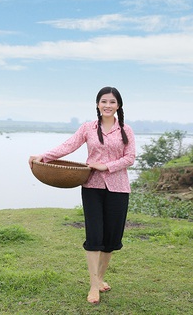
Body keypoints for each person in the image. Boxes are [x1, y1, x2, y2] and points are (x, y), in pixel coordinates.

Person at [28, 86, 136, 305]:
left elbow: (130, 158)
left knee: (111, 239)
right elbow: (68, 146)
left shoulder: (126, 130)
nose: (108, 105)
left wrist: (106, 166)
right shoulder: (88, 128)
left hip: (119, 188)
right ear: (97, 104)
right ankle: (94, 285)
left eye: (112, 102)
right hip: (92, 187)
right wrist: (44, 156)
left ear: (119, 106)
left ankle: (101, 278)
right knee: (94, 236)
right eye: (104, 101)